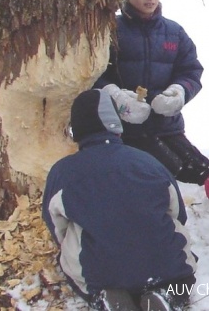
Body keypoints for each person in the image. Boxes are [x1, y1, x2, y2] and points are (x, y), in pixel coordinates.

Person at [42, 89, 197, 310]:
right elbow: (177, 213)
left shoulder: (62, 172)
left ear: (76, 131)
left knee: (73, 254)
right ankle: (169, 295)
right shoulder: (148, 161)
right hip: (165, 264)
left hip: (100, 268)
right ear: (117, 126)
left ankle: (105, 296)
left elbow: (56, 226)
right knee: (179, 272)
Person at [93, 0, 209, 185]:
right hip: (122, 132)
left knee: (203, 173)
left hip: (166, 127)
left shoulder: (174, 32)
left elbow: (191, 71)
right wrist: (115, 97)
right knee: (152, 180)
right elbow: (92, 75)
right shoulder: (110, 30)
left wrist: (179, 92)